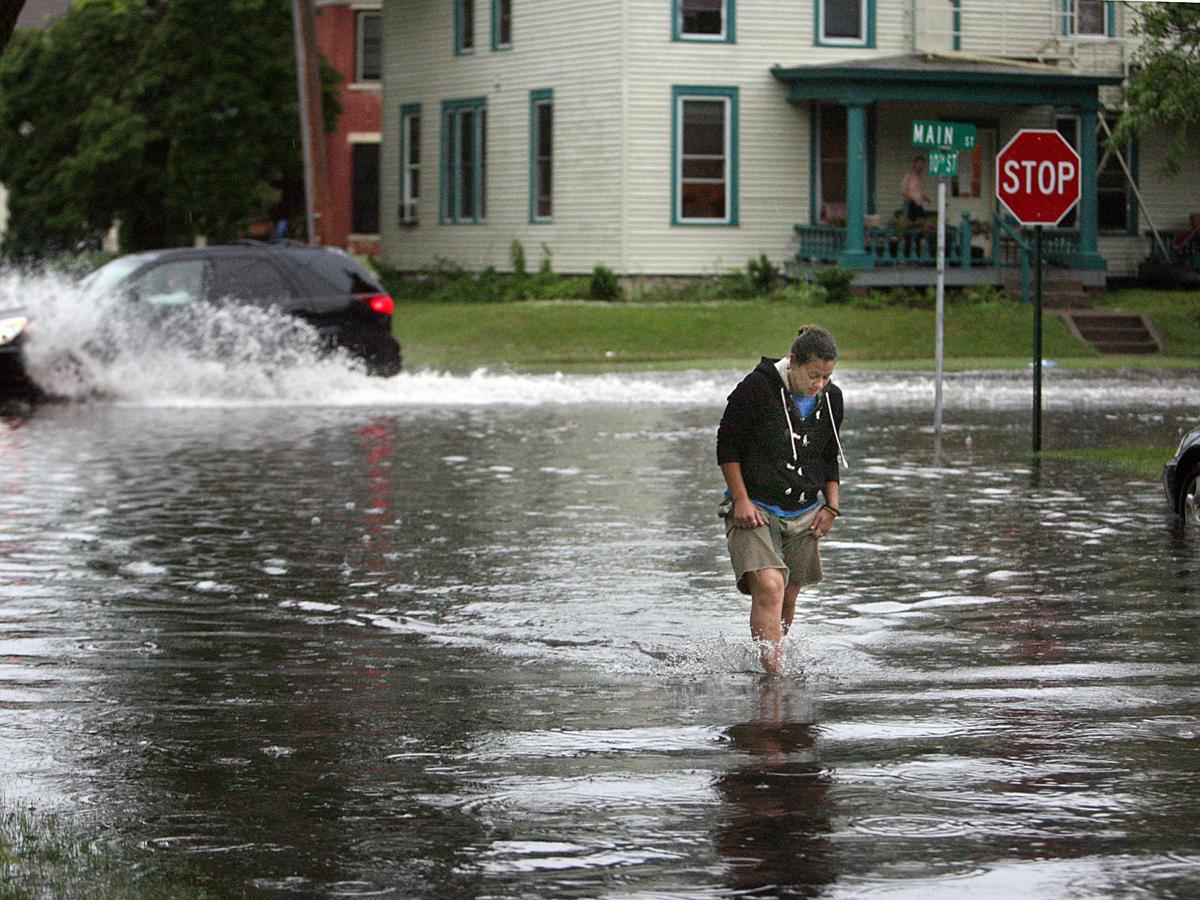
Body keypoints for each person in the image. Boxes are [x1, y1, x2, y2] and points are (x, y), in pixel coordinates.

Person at [716, 325, 846, 676]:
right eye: (813, 375)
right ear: (793, 362)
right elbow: (727, 447)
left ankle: (770, 662)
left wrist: (831, 506)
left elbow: (828, 454)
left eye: (827, 377)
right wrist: (740, 499)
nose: (819, 384)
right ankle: (775, 679)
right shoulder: (756, 389)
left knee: (788, 596)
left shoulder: (831, 398)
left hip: (804, 511)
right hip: (754, 508)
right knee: (771, 586)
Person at [901, 155, 930, 221]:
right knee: (910, 223)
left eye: (923, 164)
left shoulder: (919, 178)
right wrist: (913, 199)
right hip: (910, 203)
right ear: (914, 164)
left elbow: (917, 192)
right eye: (919, 164)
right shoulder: (909, 176)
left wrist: (925, 198)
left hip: (918, 204)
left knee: (922, 221)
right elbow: (903, 191)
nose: (921, 166)